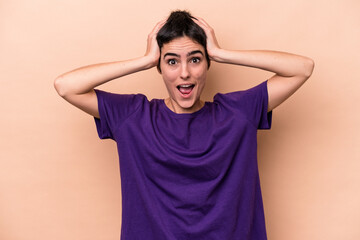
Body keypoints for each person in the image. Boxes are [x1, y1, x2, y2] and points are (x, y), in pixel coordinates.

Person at [54, 10, 314, 240]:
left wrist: (221, 53)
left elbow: (302, 68)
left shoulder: (237, 113)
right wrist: (144, 60)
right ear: (160, 67)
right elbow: (66, 86)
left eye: (195, 59)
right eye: (171, 61)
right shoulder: (133, 117)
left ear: (207, 64)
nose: (184, 73)